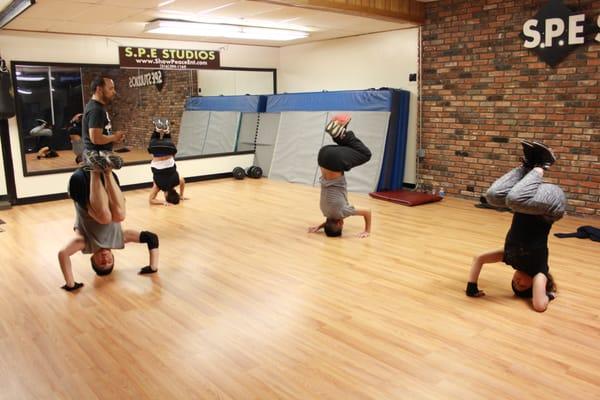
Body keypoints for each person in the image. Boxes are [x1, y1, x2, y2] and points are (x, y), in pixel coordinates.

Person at [466, 141, 567, 312]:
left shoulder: (509, 258)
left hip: (530, 201)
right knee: (514, 200)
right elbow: (539, 306)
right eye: (522, 286)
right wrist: (548, 294)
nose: (517, 282)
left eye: (514, 284)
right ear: (534, 286)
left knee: (492, 196)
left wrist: (471, 287)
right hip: (552, 206)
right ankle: (544, 164)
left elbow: (479, 258)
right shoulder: (539, 271)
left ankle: (528, 166)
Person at [57, 161, 159, 292]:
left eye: (101, 263)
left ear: (92, 259)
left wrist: (70, 284)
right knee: (120, 215)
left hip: (80, 185)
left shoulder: (85, 244)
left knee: (105, 217)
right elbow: (152, 238)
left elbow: (63, 254)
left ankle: (94, 168)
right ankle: (106, 169)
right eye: (109, 262)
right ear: (113, 257)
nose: (105, 259)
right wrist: (153, 267)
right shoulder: (119, 240)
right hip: (107, 183)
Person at [308, 114, 372, 238]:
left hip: (335, 161)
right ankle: (337, 131)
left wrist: (367, 230)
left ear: (339, 223)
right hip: (323, 155)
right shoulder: (324, 210)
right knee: (349, 149)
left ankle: (341, 133)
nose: (343, 223)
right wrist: (319, 227)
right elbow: (330, 220)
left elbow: (367, 212)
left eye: (341, 225)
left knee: (366, 154)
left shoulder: (342, 212)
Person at [81, 75, 125, 170]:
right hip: (96, 153)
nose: (114, 92)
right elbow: (95, 138)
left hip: (99, 151)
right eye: (111, 88)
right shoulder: (96, 109)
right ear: (99, 89)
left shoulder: (98, 107)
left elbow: (100, 134)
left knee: (104, 180)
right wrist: (114, 137)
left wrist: (113, 138)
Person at [147, 118, 187, 206]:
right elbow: (151, 200)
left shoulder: (177, 181)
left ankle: (166, 131)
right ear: (166, 195)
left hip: (170, 149)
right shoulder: (158, 186)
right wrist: (163, 202)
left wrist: (181, 195)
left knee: (167, 144)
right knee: (154, 143)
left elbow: (183, 181)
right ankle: (157, 130)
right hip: (156, 151)